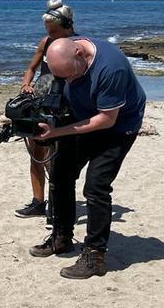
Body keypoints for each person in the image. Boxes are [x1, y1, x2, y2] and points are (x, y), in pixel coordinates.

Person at [30, 37, 146, 279]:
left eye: (71, 76)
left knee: (96, 186)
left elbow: (106, 119)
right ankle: (61, 237)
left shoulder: (111, 68)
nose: (68, 81)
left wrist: (58, 132)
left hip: (118, 127)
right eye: (62, 77)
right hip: (83, 117)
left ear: (80, 54)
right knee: (60, 172)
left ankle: (95, 256)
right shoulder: (67, 60)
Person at [15, 0, 77, 223]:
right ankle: (38, 202)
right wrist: (26, 84)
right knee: (36, 153)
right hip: (41, 102)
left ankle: (57, 206)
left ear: (67, 26)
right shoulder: (46, 42)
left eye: (54, 30)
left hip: (65, 107)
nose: (51, 34)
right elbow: (31, 69)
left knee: (56, 160)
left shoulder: (78, 45)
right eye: (48, 30)